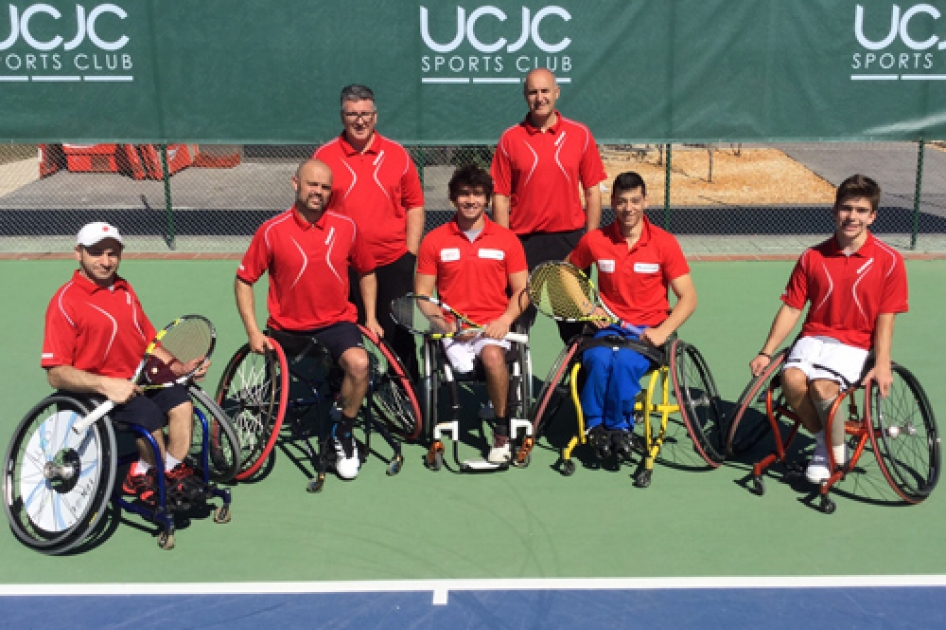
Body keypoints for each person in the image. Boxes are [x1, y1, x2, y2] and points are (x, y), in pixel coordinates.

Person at [750, 174, 908, 484]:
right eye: (847, 208)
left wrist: (883, 361)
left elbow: (887, 316)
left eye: (861, 210)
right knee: (791, 380)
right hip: (814, 337)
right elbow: (793, 307)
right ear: (834, 211)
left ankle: (826, 452)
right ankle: (827, 439)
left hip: (857, 344)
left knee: (823, 387)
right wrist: (766, 351)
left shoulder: (890, 261)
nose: (853, 217)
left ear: (872, 216)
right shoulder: (812, 257)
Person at [235, 159, 383, 480]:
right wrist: (252, 331)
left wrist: (370, 317)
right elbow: (244, 280)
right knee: (323, 376)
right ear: (296, 184)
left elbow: (367, 272)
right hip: (290, 331)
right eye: (312, 184)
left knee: (360, 364)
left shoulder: (347, 227)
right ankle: (333, 402)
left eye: (325, 187)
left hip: (337, 323)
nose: (318, 192)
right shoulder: (271, 231)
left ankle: (342, 429)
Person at [41, 222, 203, 503]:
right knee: (148, 416)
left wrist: (176, 367)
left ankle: (170, 470)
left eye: (112, 253)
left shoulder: (125, 290)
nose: (106, 261)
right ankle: (140, 474)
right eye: (96, 253)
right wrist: (107, 385)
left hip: (136, 381)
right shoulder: (64, 302)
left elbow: (149, 342)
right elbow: (56, 374)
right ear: (78, 253)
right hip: (94, 392)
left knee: (182, 403)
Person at [567, 172, 697, 460]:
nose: (629, 208)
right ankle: (595, 427)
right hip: (606, 330)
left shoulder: (665, 243)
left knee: (624, 363)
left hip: (646, 332)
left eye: (635, 201)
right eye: (622, 201)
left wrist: (663, 332)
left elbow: (688, 298)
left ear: (645, 201)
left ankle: (619, 427)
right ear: (612, 203)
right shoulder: (595, 240)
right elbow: (565, 275)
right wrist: (588, 308)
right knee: (597, 360)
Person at [414, 165, 529, 463]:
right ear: (453, 198)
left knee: (492, 356)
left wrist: (504, 320)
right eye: (464, 194)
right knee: (463, 368)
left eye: (478, 194)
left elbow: (523, 291)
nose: (471, 200)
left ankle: (501, 434)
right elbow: (424, 296)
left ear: (488, 199)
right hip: (454, 330)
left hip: (494, 328)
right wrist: (445, 323)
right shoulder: (434, 240)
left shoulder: (507, 240)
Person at [313, 84, 424, 379]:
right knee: (342, 337)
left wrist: (409, 253)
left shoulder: (398, 155)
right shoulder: (324, 157)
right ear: (342, 116)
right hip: (342, 266)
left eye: (364, 114)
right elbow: (314, 211)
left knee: (399, 335)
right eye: (352, 114)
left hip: (392, 262)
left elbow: (415, 204)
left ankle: (406, 394)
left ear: (375, 116)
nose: (359, 121)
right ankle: (342, 397)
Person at [491, 67, 608, 344]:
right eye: (533, 92)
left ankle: (578, 383)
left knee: (576, 325)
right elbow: (501, 197)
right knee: (515, 323)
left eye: (545, 91)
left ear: (557, 93)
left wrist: (589, 238)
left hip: (568, 243)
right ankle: (513, 386)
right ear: (525, 96)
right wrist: (503, 242)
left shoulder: (580, 134)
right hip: (523, 243)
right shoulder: (510, 139)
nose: (539, 97)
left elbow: (592, 191)